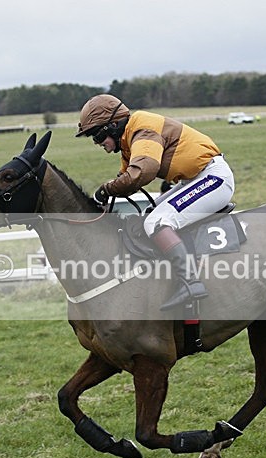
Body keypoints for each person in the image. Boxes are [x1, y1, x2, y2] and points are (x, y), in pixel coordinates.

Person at [75, 94, 235, 311]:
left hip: (213, 177)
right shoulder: (129, 140)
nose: (97, 144)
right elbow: (125, 179)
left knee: (157, 222)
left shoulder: (142, 127)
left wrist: (106, 189)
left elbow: (141, 172)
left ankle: (191, 283)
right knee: (149, 214)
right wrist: (102, 199)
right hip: (196, 177)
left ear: (111, 126)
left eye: (96, 136)